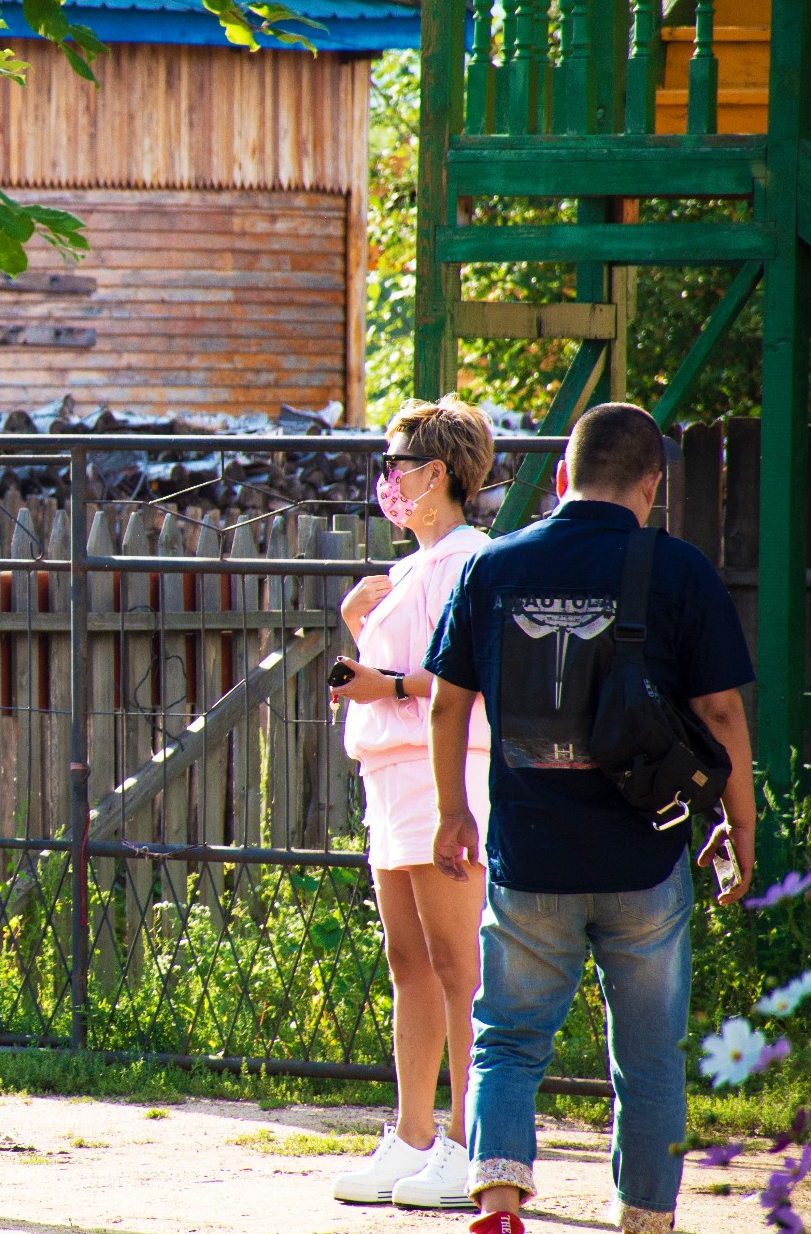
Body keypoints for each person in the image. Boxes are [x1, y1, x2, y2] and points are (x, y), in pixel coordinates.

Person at [425, 402, 757, 1234]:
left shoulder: (493, 567)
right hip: (644, 858)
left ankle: (499, 1204)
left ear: (565, 475)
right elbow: (719, 711)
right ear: (654, 483)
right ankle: (645, 1216)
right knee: (647, 1059)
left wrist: (452, 811)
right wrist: (740, 829)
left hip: (529, 855)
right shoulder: (680, 572)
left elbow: (444, 705)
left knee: (506, 1038)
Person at [328, 396, 496, 1210]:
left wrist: (382, 682)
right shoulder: (406, 570)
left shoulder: (469, 561)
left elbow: (464, 677)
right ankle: (414, 1132)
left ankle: (471, 1140)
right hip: (391, 779)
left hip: (446, 776)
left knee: (458, 964)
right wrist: (360, 627)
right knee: (408, 963)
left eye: (397, 465)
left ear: (437, 473)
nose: (385, 480)